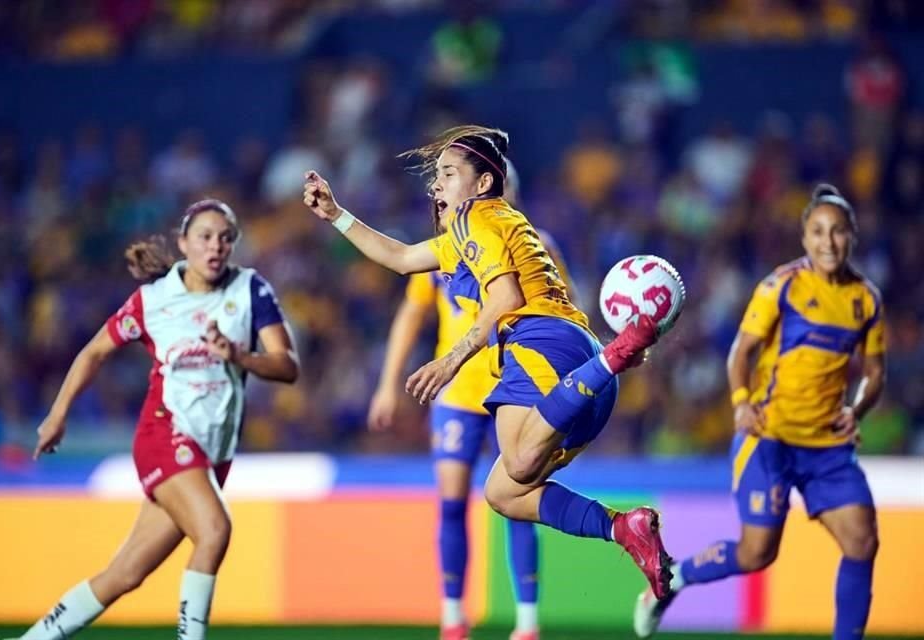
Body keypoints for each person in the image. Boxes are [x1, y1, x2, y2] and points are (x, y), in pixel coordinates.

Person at [303, 125, 674, 607]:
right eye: (436, 175)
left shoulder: (475, 220)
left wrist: (452, 359)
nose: (436, 184)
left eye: (448, 173)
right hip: (574, 369)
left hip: (541, 348)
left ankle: (614, 357)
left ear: (482, 184)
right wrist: (335, 215)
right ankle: (624, 527)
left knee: (517, 462)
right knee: (504, 492)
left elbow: (506, 297)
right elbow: (399, 257)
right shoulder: (487, 229)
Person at [10, 199, 300, 640]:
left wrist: (240, 356)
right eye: (204, 236)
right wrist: (58, 414)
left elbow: (286, 366)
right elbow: (95, 352)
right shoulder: (153, 301)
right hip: (164, 434)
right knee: (216, 529)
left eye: (225, 237)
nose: (215, 246)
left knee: (125, 574)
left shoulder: (250, 291)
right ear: (184, 243)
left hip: (212, 453)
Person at [633, 184, 885, 640]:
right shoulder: (781, 286)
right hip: (769, 438)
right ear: (805, 238)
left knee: (862, 542)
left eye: (838, 232)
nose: (828, 242)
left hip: (827, 446)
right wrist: (742, 404)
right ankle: (672, 582)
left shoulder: (865, 300)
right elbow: (740, 353)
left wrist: (858, 406)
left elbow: (874, 369)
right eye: (818, 232)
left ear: (852, 237)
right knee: (756, 554)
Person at [368, 163, 570, 640]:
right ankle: (453, 617)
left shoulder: (532, 244)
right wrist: (386, 382)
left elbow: (567, 305)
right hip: (457, 395)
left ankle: (526, 623)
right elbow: (411, 313)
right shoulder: (445, 247)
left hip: (517, 390)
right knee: (453, 503)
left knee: (516, 499)